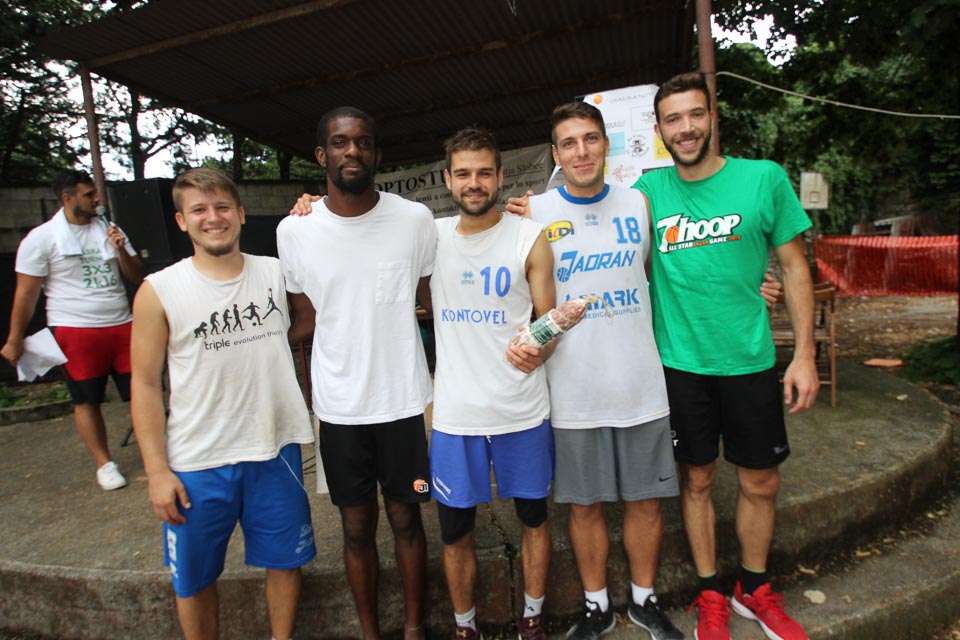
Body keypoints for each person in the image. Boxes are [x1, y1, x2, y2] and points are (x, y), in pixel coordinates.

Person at [632, 71, 818, 640]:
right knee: (697, 479)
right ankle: (711, 592)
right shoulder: (647, 191)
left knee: (761, 481)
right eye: (673, 120)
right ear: (659, 130)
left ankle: (753, 589)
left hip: (750, 360)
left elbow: (794, 267)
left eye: (695, 114)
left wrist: (804, 354)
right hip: (681, 364)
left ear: (712, 117)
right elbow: (591, 226)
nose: (685, 128)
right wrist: (531, 214)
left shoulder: (763, 178)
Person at [506, 102, 685, 640]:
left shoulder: (640, 203)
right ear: (555, 154)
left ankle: (645, 601)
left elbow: (660, 273)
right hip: (572, 391)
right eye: (569, 143)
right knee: (584, 506)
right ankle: (596, 607)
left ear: (607, 144)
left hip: (640, 384)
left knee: (645, 500)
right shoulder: (532, 213)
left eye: (590, 139)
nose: (581, 151)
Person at [130, 168, 316, 640]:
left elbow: (309, 315)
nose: (213, 218)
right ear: (181, 221)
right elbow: (145, 385)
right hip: (197, 459)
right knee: (194, 579)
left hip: (274, 447)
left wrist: (316, 211)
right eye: (199, 210)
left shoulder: (274, 271)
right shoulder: (158, 290)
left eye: (222, 207)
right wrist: (156, 471)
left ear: (241, 213)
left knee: (286, 563)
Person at [276, 107, 435, 640]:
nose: (352, 151)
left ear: (376, 154)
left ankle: (414, 629)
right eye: (341, 142)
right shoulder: (295, 230)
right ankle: (370, 633)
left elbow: (434, 298)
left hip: (402, 401)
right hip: (340, 407)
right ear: (322, 154)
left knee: (408, 519)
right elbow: (303, 320)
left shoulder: (414, 219)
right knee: (356, 525)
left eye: (363, 142)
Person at [430, 127, 556, 639]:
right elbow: (361, 226)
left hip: (520, 409)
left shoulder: (529, 236)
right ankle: (465, 627)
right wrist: (314, 206)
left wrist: (541, 346)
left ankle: (533, 618)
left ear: (501, 176)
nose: (474, 183)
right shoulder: (430, 237)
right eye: (463, 173)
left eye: (484, 172)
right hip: (455, 416)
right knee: (454, 531)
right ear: (447, 179)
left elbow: (549, 322)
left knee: (534, 518)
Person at [1, 170, 143, 490]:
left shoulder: (109, 229)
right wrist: (14, 338)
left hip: (121, 324)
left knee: (141, 392)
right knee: (86, 399)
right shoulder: (41, 238)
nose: (97, 199)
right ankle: (104, 464)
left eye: (96, 193)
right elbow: (26, 294)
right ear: (67, 198)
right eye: (89, 194)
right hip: (75, 329)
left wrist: (121, 249)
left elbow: (136, 276)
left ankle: (154, 451)